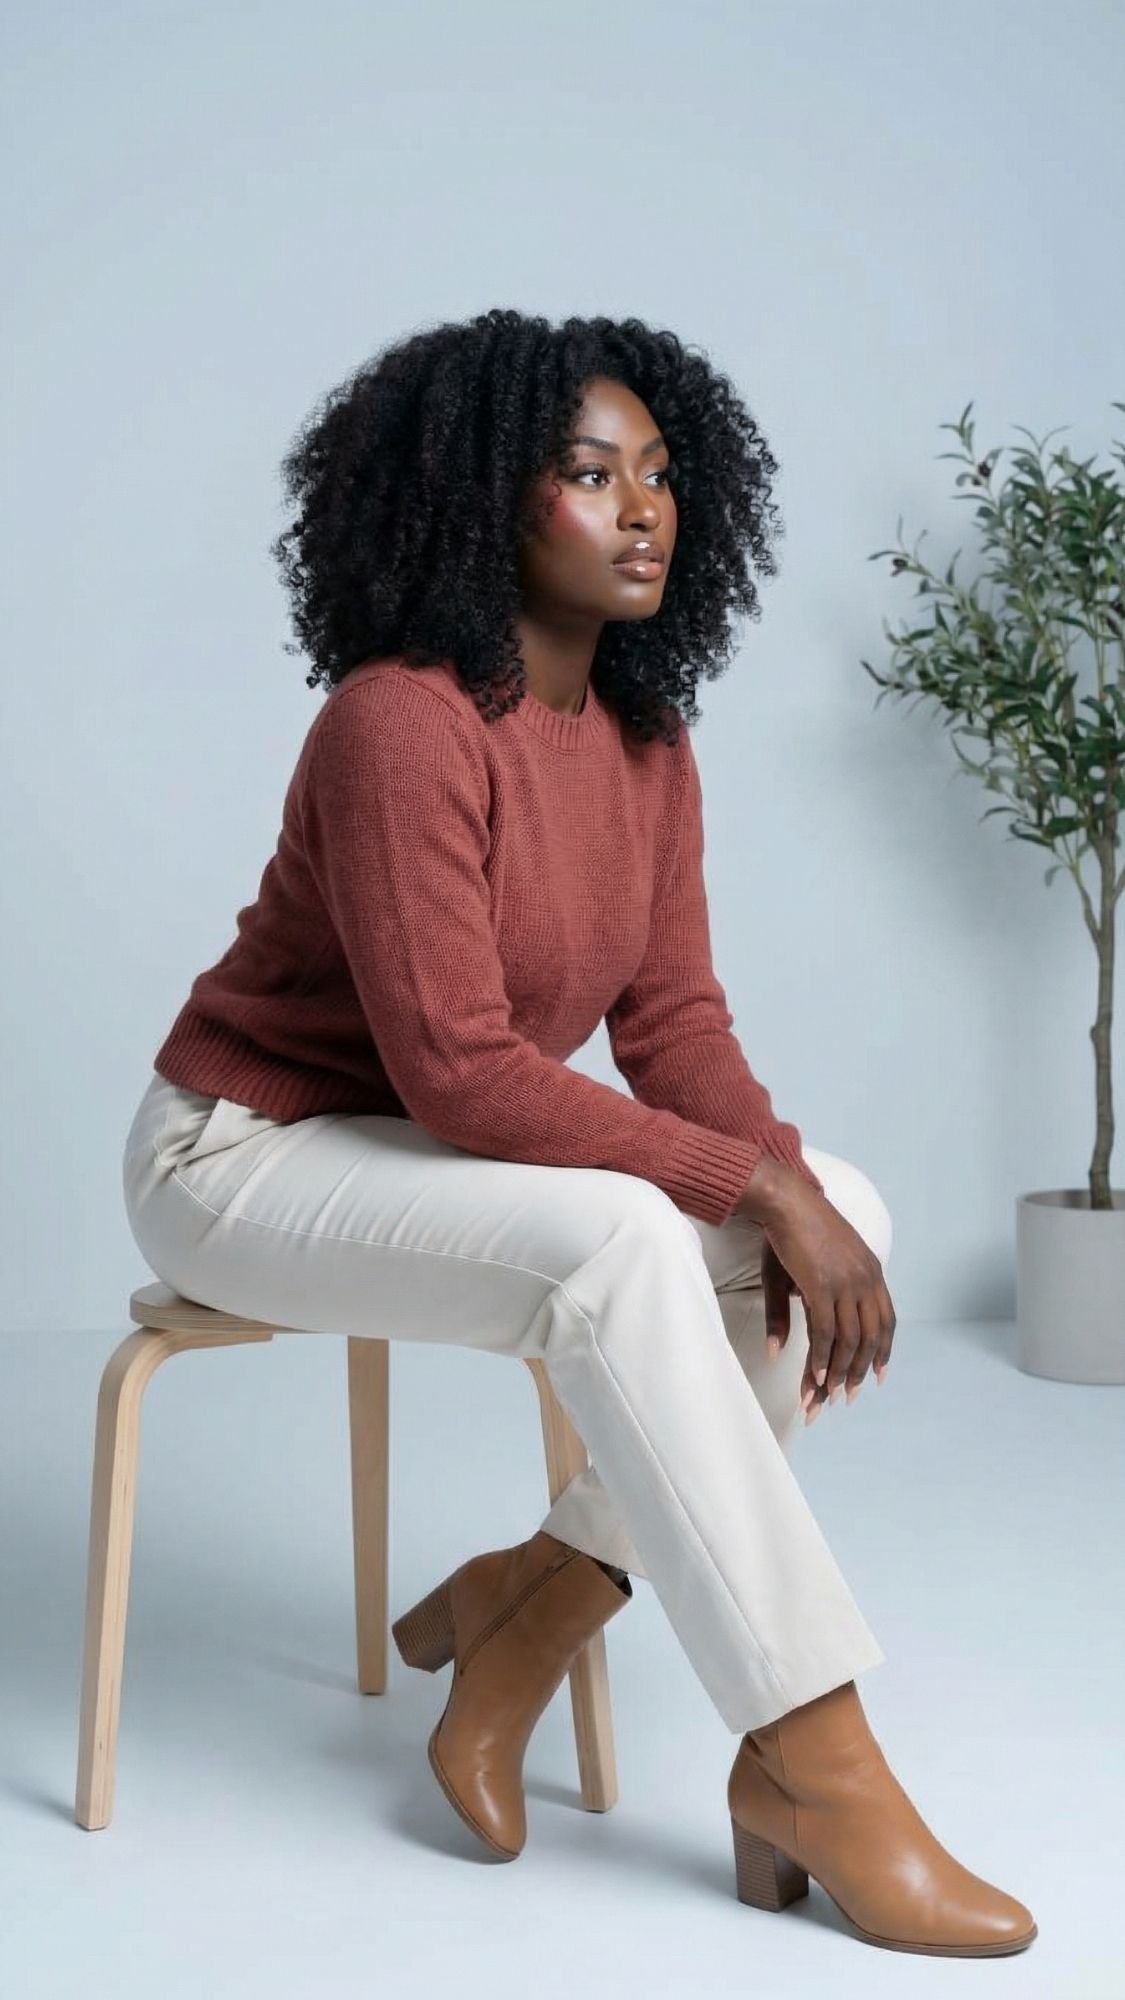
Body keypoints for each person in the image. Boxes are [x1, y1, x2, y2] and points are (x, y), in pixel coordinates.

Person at [121, 309, 1036, 1957]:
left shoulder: (642, 738)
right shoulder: (398, 722)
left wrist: (786, 1190)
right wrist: (740, 1183)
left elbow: (670, 1022)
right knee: (643, 1230)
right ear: (485, 499)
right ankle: (813, 1762)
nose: (642, 511)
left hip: (415, 1158)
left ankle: (533, 1611)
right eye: (590, 474)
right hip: (241, 1154)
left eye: (662, 477)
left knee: (850, 1206)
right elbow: (464, 1069)